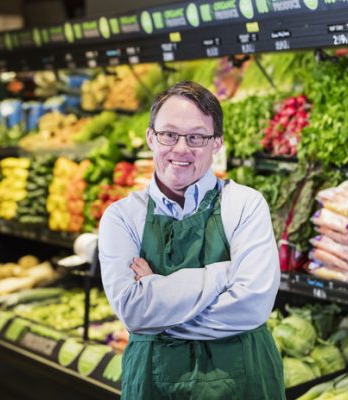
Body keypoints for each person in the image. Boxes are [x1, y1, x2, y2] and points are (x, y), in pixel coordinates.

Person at [99, 80, 285, 400]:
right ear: (150, 138)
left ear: (217, 143)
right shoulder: (121, 217)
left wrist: (159, 305)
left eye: (197, 136)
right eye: (169, 134)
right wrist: (223, 275)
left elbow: (252, 307)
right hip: (153, 384)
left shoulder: (245, 204)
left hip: (243, 383)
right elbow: (134, 312)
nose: (181, 148)